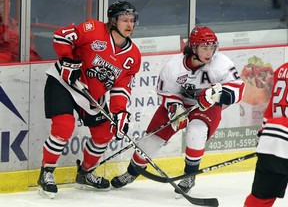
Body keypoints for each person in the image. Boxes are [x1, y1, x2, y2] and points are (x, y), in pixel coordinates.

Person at [110, 26, 245, 196]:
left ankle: (189, 176)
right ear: (193, 47)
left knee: (196, 132)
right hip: (179, 104)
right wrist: (174, 107)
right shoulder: (174, 66)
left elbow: (239, 88)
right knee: (149, 143)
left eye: (212, 47)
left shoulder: (222, 63)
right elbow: (165, 92)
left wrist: (217, 94)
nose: (209, 52)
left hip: (207, 107)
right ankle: (131, 173)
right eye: (204, 47)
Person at [37, 1, 141, 198]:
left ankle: (85, 173)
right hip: (64, 83)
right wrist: (69, 61)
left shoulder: (133, 55)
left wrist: (120, 113)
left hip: (92, 95)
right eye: (124, 20)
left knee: (104, 133)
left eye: (132, 21)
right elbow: (62, 36)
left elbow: (121, 87)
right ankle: (46, 174)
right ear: (112, 21)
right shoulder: (93, 29)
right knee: (63, 127)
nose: (129, 25)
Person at [244, 63, 288, 207]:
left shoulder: (283, 69)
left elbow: (271, 107)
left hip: (272, 139)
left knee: (260, 199)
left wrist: (263, 134)